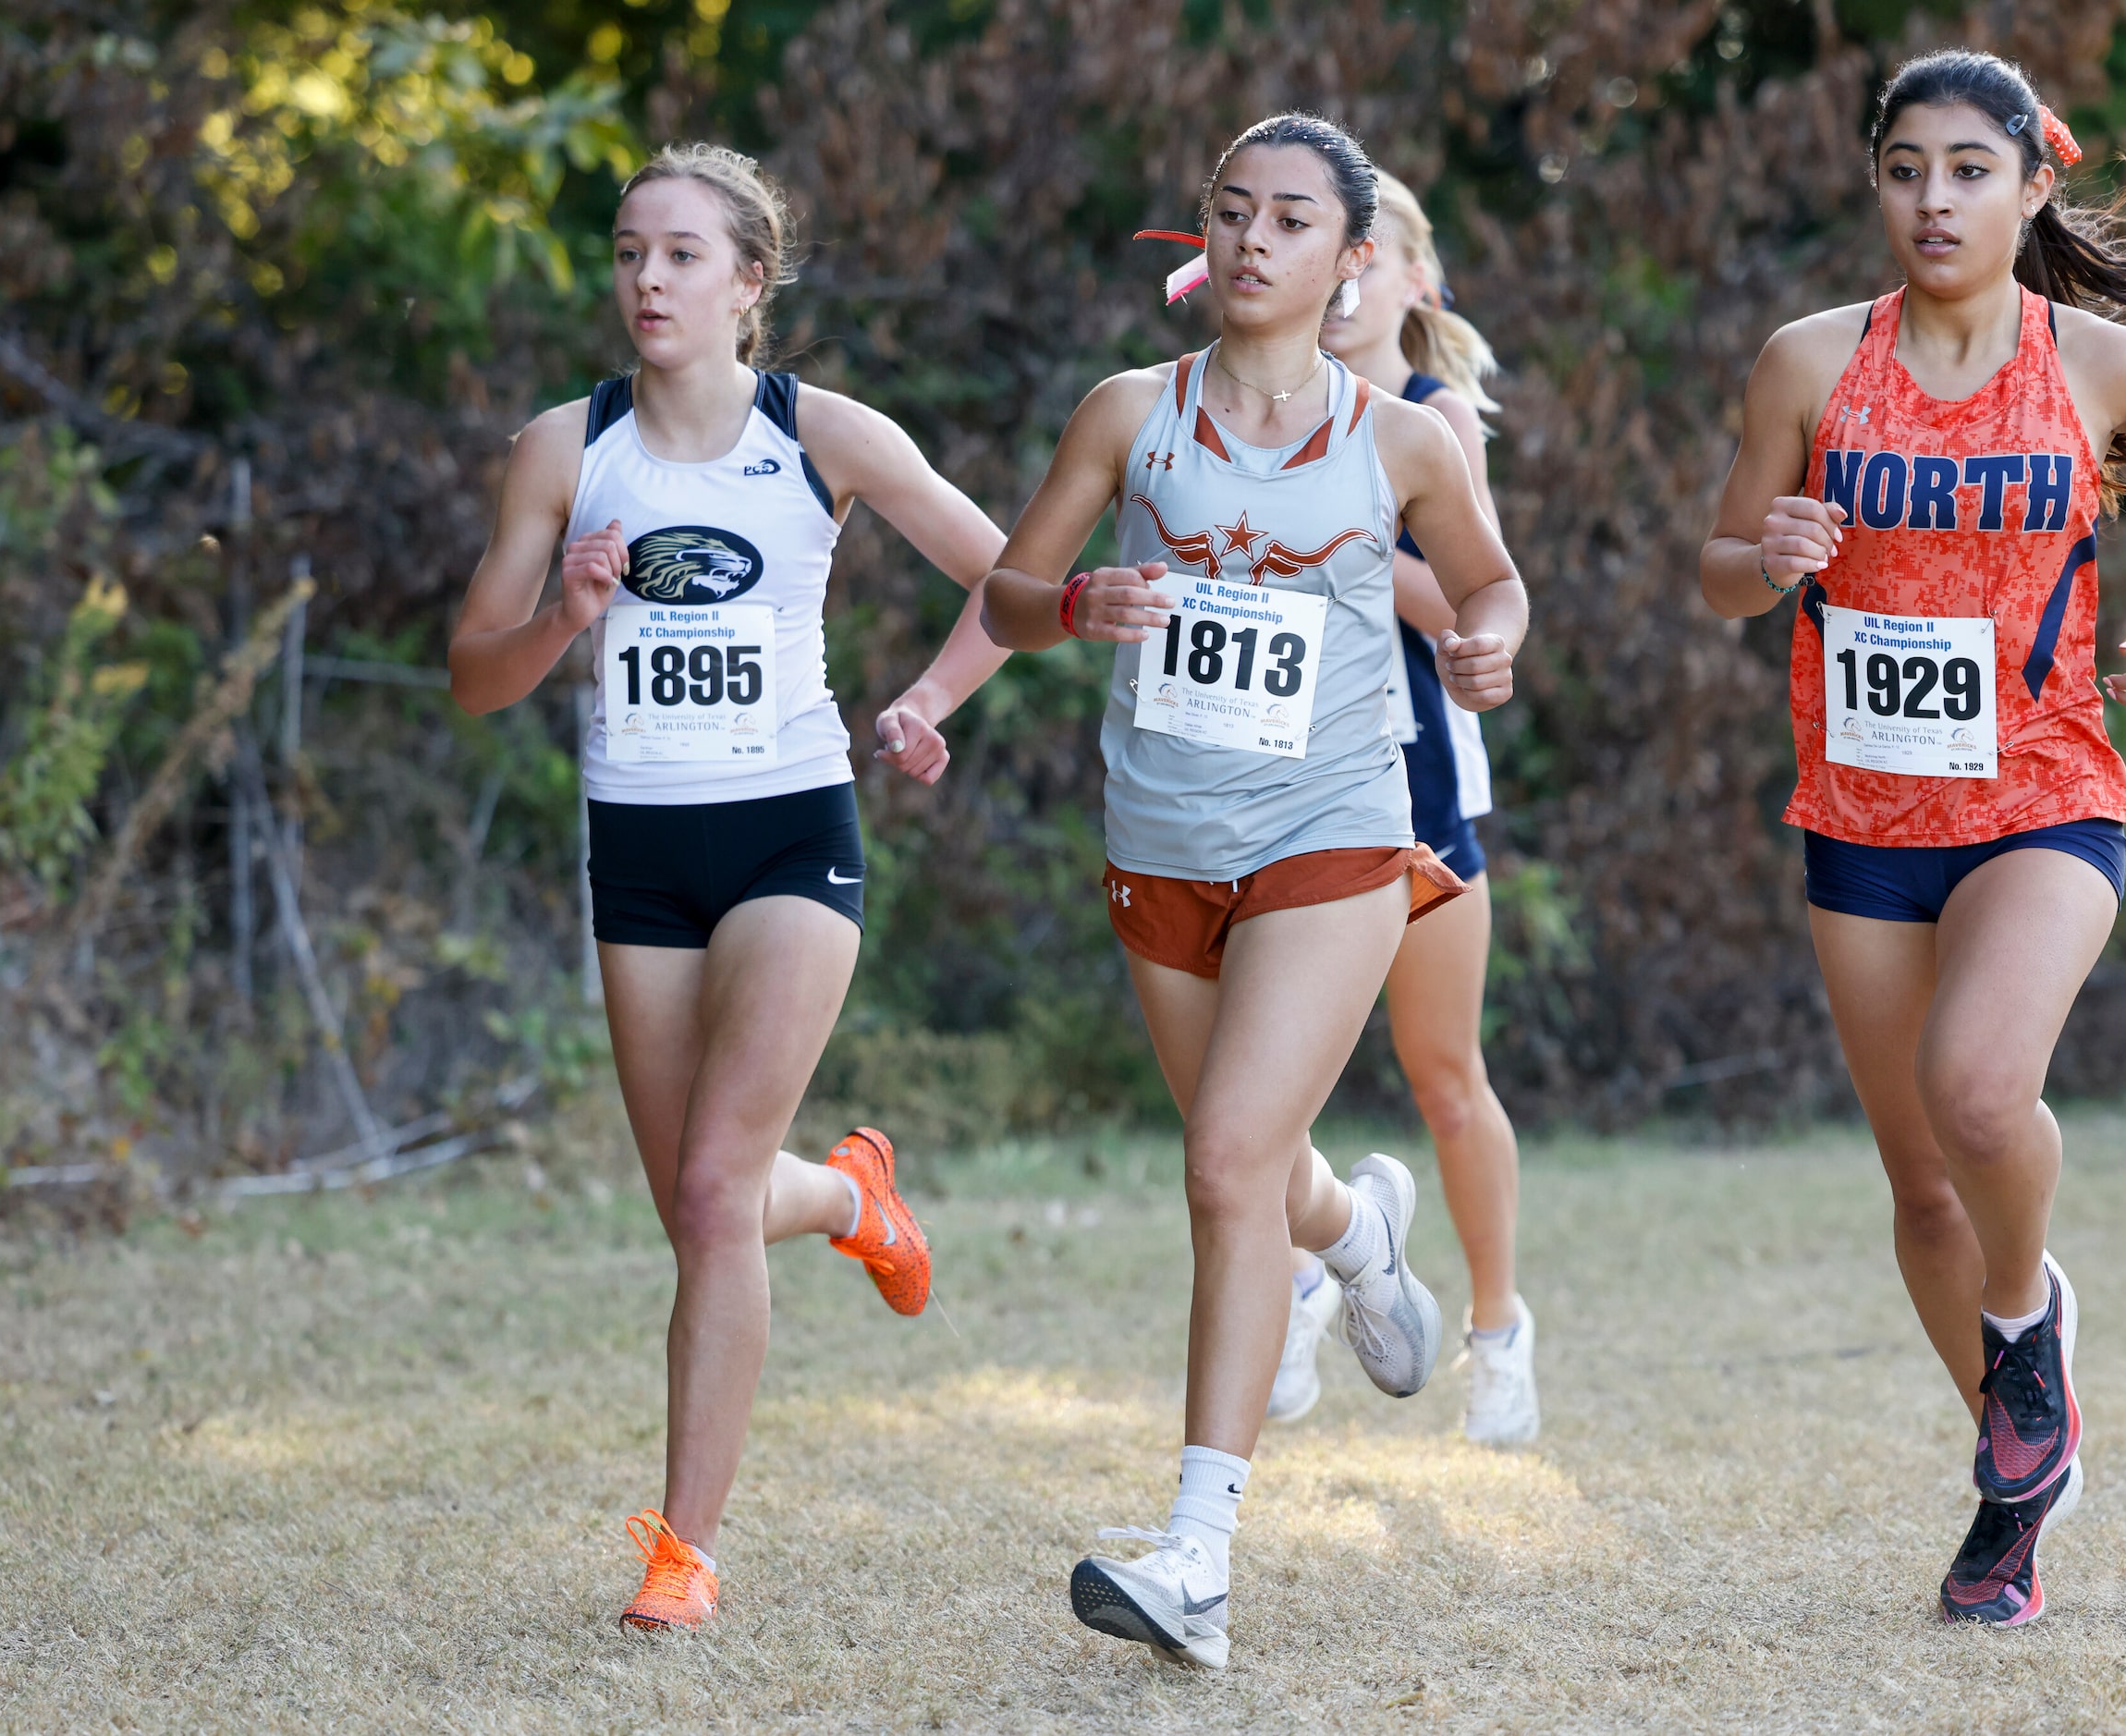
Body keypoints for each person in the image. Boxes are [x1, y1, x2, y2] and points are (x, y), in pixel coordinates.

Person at [1699, 51, 2126, 1627]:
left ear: (2032, 187)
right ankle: (2012, 1490)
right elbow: (1720, 567)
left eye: (1968, 170)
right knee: (1922, 1186)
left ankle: (2028, 1329)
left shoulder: (2095, 362)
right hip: (1864, 813)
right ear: (1876, 184)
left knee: (1977, 1089)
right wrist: (1773, 552)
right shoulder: (1809, 362)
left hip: (2044, 792)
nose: (1932, 200)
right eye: (1904, 169)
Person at [981, 113, 1529, 1669]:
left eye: (1290, 219)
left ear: (1353, 259)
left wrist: (1492, 641)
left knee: (1224, 1159)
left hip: (1335, 828)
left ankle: (1197, 1558)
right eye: (1229, 211)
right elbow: (1013, 595)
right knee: (1252, 1165)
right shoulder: (1126, 414)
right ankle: (1357, 1234)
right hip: (1161, 835)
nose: (1251, 240)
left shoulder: (1404, 437)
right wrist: (1079, 599)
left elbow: (1487, 582)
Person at [447, 142, 1013, 1632]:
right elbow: (470, 677)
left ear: (749, 282)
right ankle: (850, 1193)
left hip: (787, 833)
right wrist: (563, 613)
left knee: (709, 1190)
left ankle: (683, 1555)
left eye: (683, 254)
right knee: (698, 1206)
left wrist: (935, 696)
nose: (647, 278)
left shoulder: (818, 431)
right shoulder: (561, 450)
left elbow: (1005, 577)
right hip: (637, 852)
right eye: (630, 251)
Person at [1266, 168, 1535, 1447]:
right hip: (1275, 767)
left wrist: (1350, 549)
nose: (1350, 274)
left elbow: (1461, 595)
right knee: (1263, 1087)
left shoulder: (1430, 421)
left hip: (1416, 770)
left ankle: (1497, 1330)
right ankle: (1307, 1271)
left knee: (1443, 1070)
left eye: (1378, 255)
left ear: (1414, 280)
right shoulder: (1259, 405)